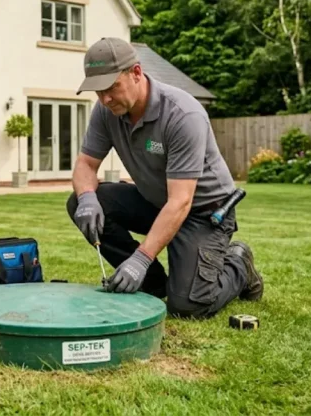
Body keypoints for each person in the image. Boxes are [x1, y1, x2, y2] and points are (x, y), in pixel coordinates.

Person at [66, 37, 263, 318]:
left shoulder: (183, 115)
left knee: (188, 306)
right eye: (98, 91)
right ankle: (152, 282)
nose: (105, 99)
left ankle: (238, 264)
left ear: (136, 73)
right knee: (79, 202)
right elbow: (86, 164)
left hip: (203, 213)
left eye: (111, 88)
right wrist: (86, 198)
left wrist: (141, 258)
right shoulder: (106, 111)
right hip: (157, 202)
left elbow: (181, 201)